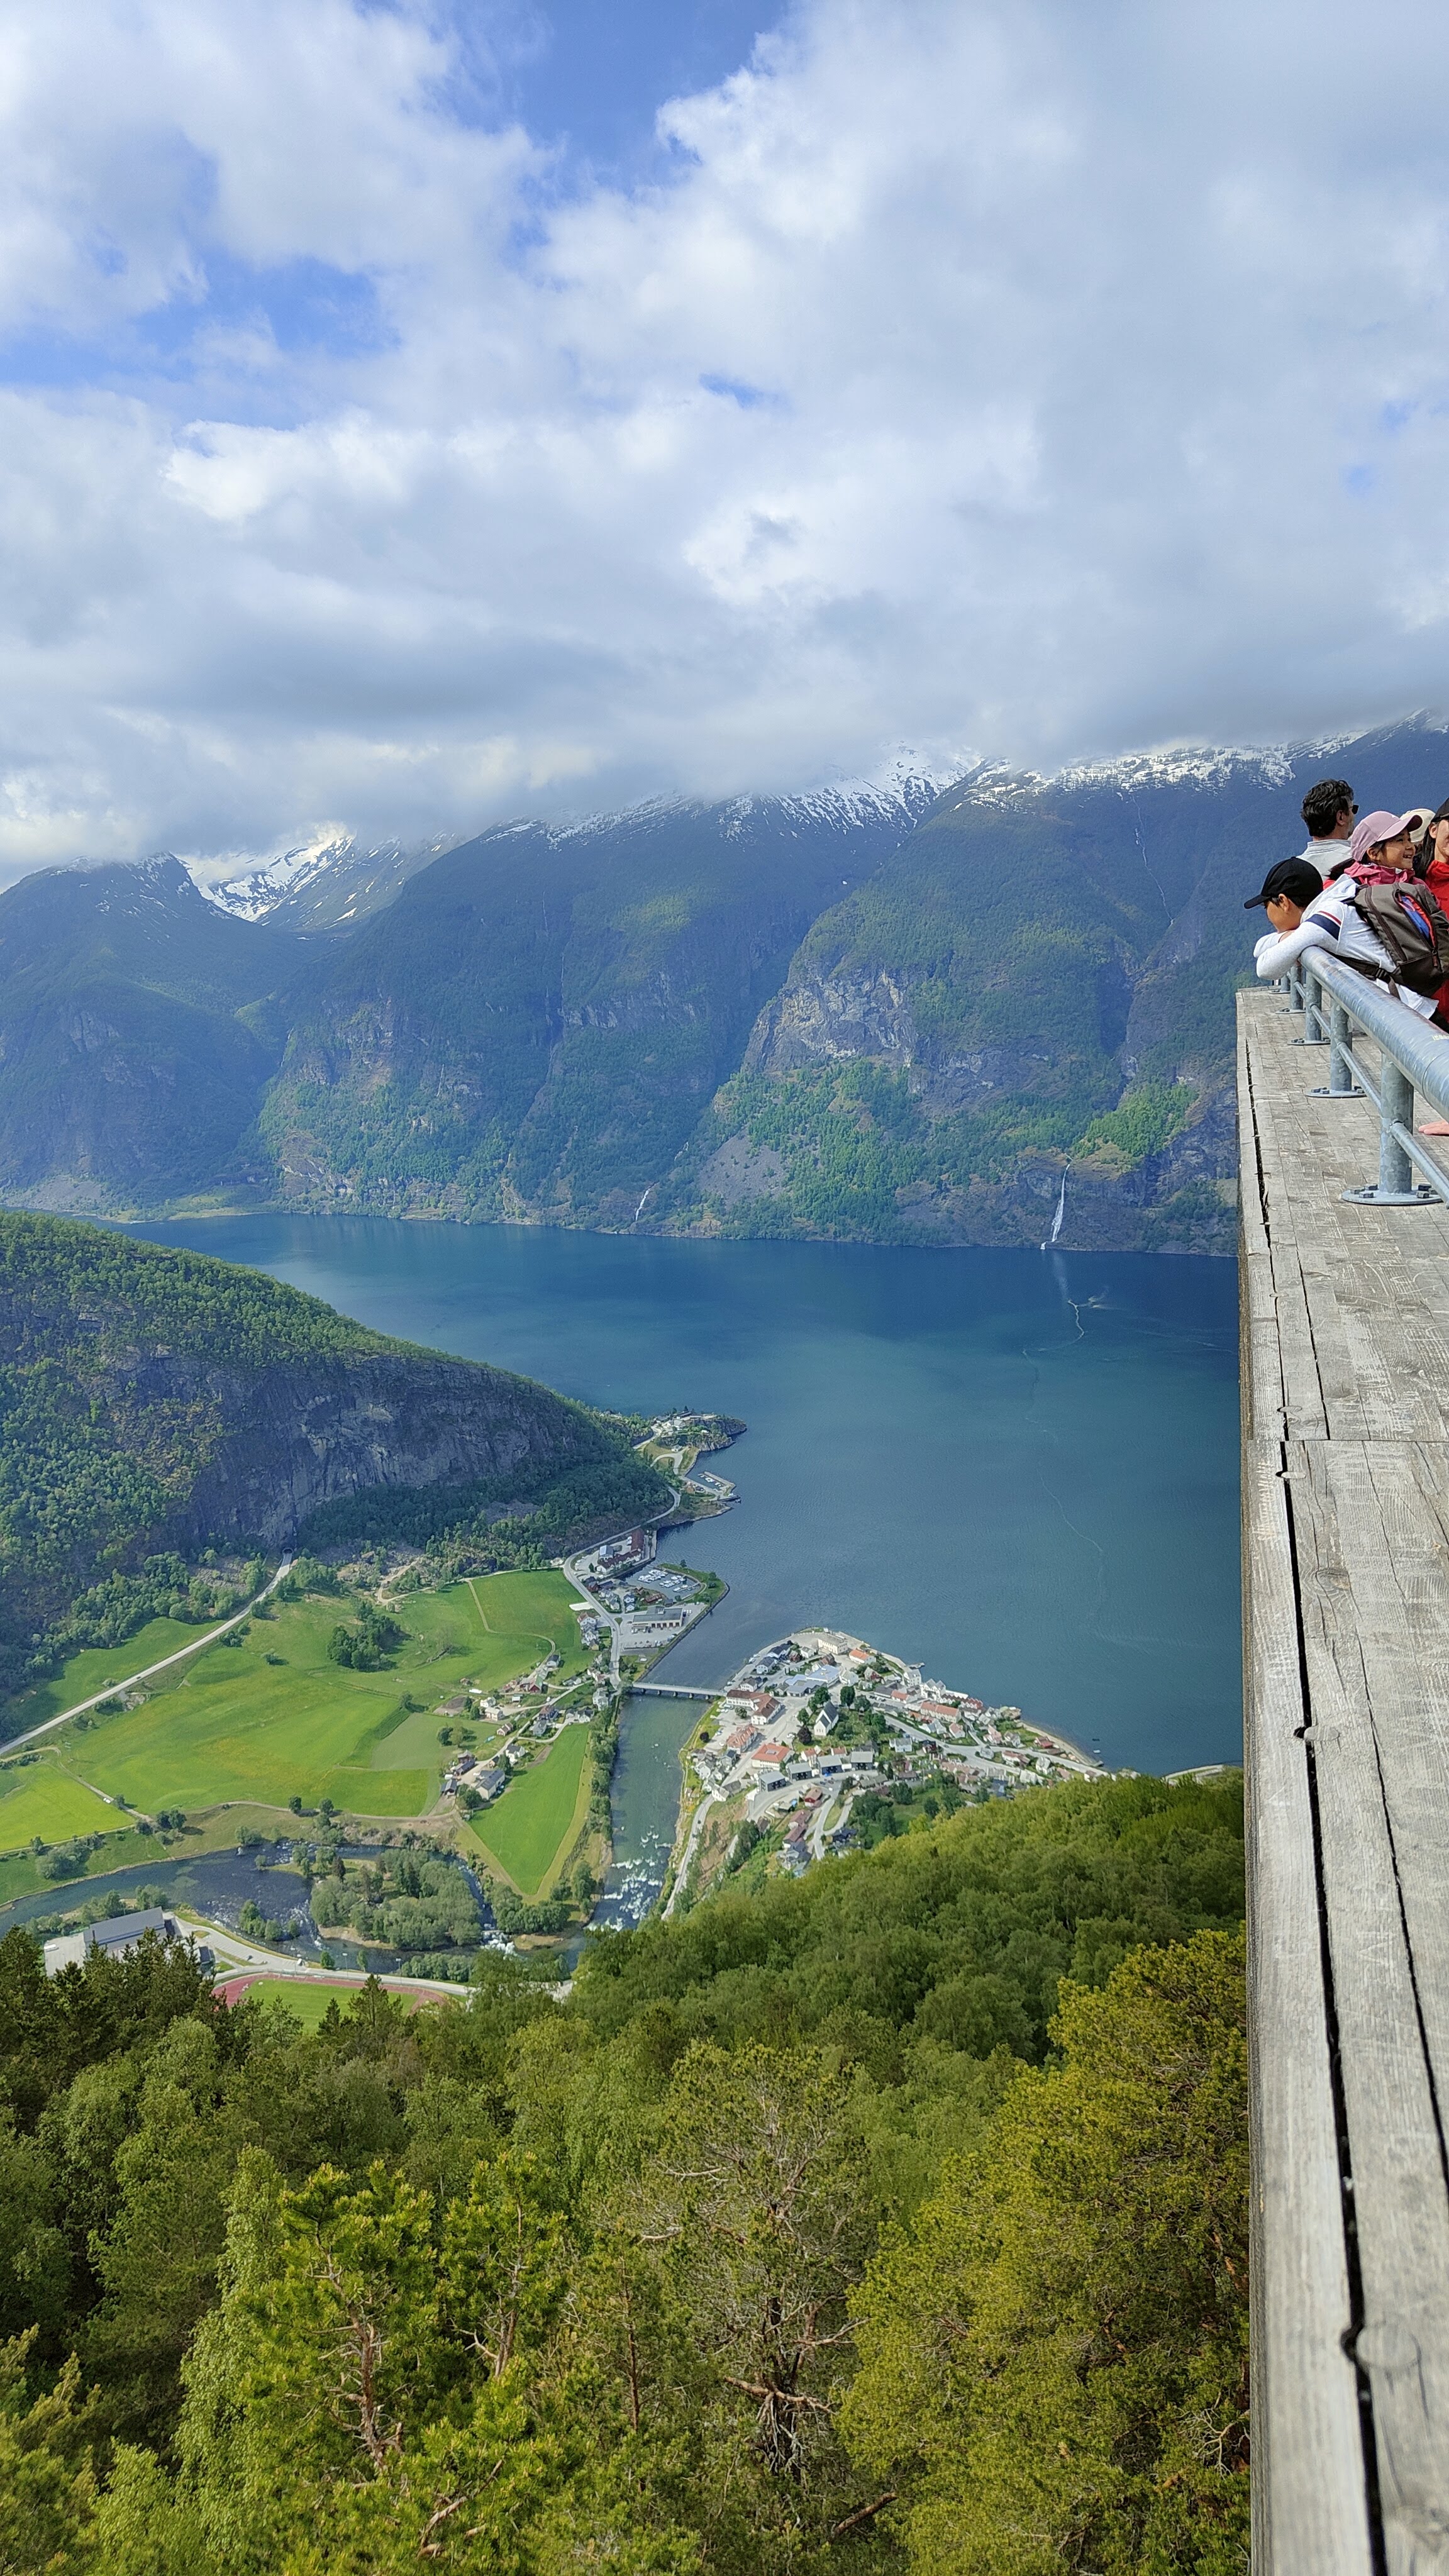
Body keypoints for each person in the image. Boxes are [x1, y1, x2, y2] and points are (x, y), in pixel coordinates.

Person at [1247, 813, 1446, 1024]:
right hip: (1414, 1005)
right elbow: (1260, 948)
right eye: (1400, 840)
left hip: (1406, 1013)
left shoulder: (1331, 913)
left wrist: (1295, 937)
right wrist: (1293, 936)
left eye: (1266, 906)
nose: (1410, 847)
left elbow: (1266, 967)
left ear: (1284, 902)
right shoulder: (1349, 895)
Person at [1299, 777, 1357, 858]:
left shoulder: (1290, 868)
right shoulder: (1359, 864)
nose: (1354, 815)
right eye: (1353, 809)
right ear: (1341, 817)